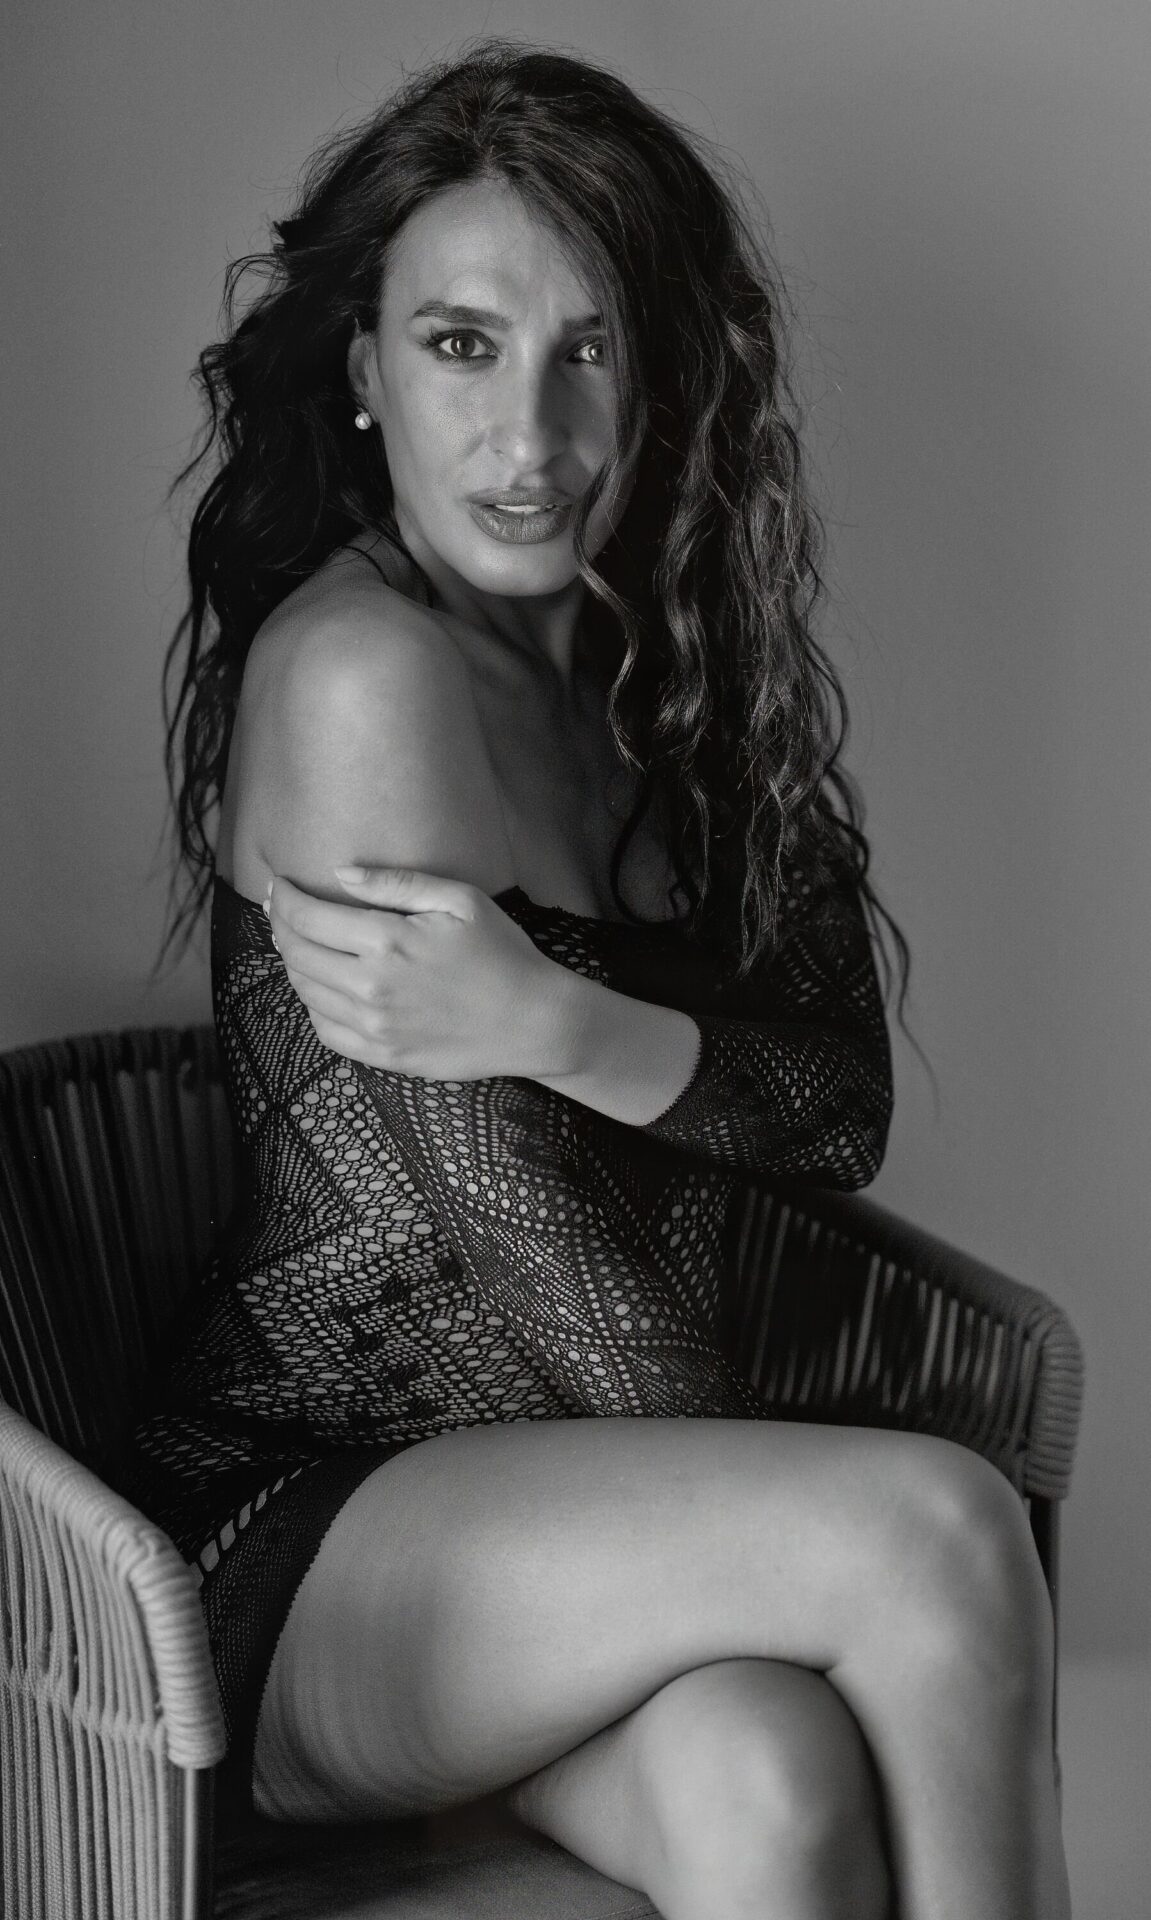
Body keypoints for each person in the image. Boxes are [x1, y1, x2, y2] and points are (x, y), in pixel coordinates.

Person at [131, 40, 1071, 1920]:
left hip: (592, 1528)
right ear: (364, 367)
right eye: (462, 346)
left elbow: (833, 1110)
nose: (534, 437)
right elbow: (535, 1259)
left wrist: (561, 1021)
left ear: (667, 377)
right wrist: (795, 1543)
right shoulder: (365, 674)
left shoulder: (678, 670)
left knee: (766, 1777)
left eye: (591, 351)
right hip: (314, 1536)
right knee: (938, 1530)